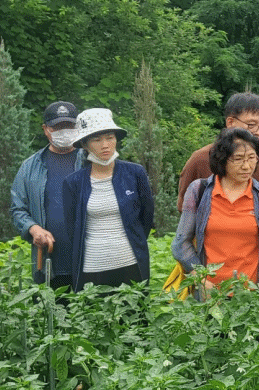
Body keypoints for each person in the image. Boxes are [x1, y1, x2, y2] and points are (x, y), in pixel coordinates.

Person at [172, 128, 259, 293]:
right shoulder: (198, 190)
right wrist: (201, 279)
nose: (246, 166)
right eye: (238, 159)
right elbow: (180, 243)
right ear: (222, 160)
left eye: (252, 158)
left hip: (251, 294)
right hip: (209, 294)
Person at [62, 108, 154, 291]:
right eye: (97, 140)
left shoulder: (135, 173)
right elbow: (73, 229)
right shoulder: (73, 183)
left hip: (130, 264)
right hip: (92, 267)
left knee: (135, 308)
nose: (105, 145)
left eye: (110, 138)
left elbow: (146, 217)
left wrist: (134, 240)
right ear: (85, 144)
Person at [11, 101, 85, 289]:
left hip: (89, 262)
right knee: (48, 307)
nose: (64, 132)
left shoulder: (89, 161)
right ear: (45, 129)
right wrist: (33, 228)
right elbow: (18, 209)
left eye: (69, 126)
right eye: (57, 127)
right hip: (47, 263)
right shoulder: (30, 167)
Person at [177, 92, 259, 211]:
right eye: (251, 125)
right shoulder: (201, 159)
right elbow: (185, 207)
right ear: (230, 122)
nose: (258, 132)